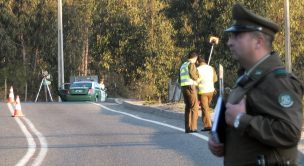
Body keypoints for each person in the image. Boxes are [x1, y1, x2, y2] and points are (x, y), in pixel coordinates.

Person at [208, 3, 303, 165]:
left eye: (237, 36)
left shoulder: (277, 81)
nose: (229, 43)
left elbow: (289, 132)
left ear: (258, 41)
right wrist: (221, 141)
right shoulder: (246, 79)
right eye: (230, 37)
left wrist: (240, 119)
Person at [180, 51, 200, 133]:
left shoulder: (183, 65)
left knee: (188, 107)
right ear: (194, 58)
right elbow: (193, 75)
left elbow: (180, 77)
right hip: (191, 87)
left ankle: (187, 128)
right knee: (195, 107)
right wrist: (197, 77)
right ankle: (193, 127)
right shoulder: (191, 64)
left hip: (184, 87)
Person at [196, 56, 218, 131]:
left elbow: (196, 81)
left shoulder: (198, 69)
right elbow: (215, 79)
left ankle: (208, 126)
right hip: (211, 90)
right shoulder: (211, 68)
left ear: (198, 62)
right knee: (207, 108)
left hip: (203, 91)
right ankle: (208, 124)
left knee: (205, 109)